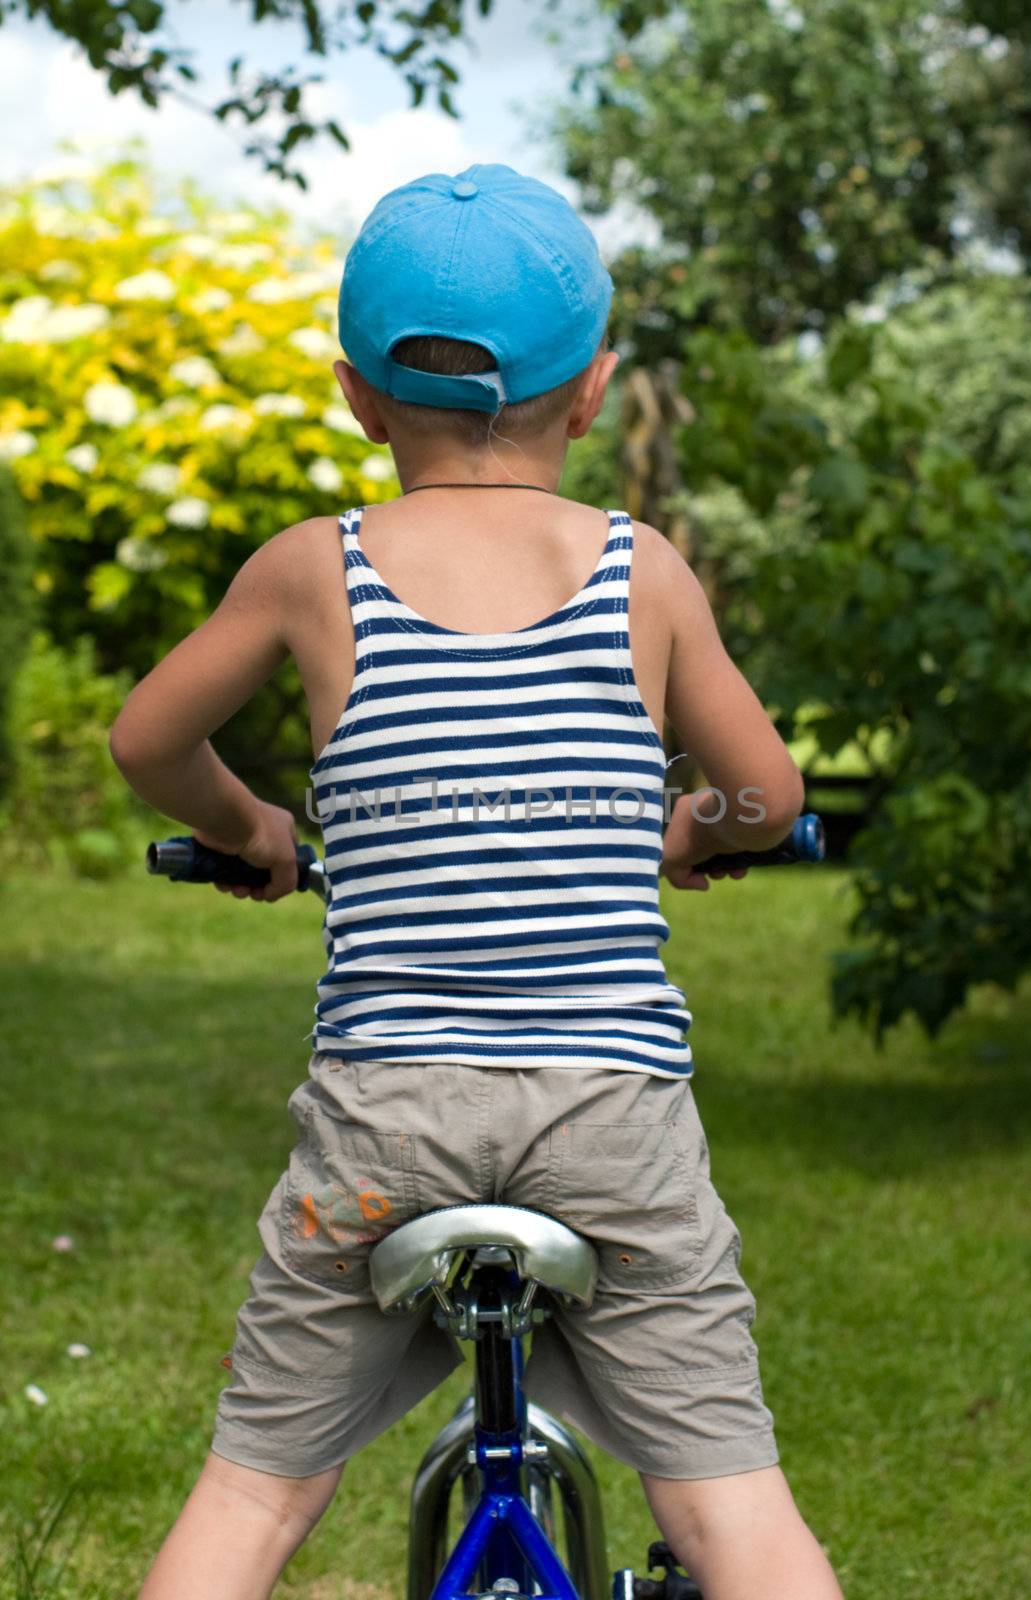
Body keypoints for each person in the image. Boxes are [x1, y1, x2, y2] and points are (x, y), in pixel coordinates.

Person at [109, 163, 844, 1600]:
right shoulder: (641, 571)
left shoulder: (315, 571)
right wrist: (698, 831)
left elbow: (149, 740)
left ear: (355, 394)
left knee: (253, 1495)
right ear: (591, 394)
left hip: (385, 1121)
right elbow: (772, 795)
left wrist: (257, 828)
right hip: (610, 1120)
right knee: (732, 1509)